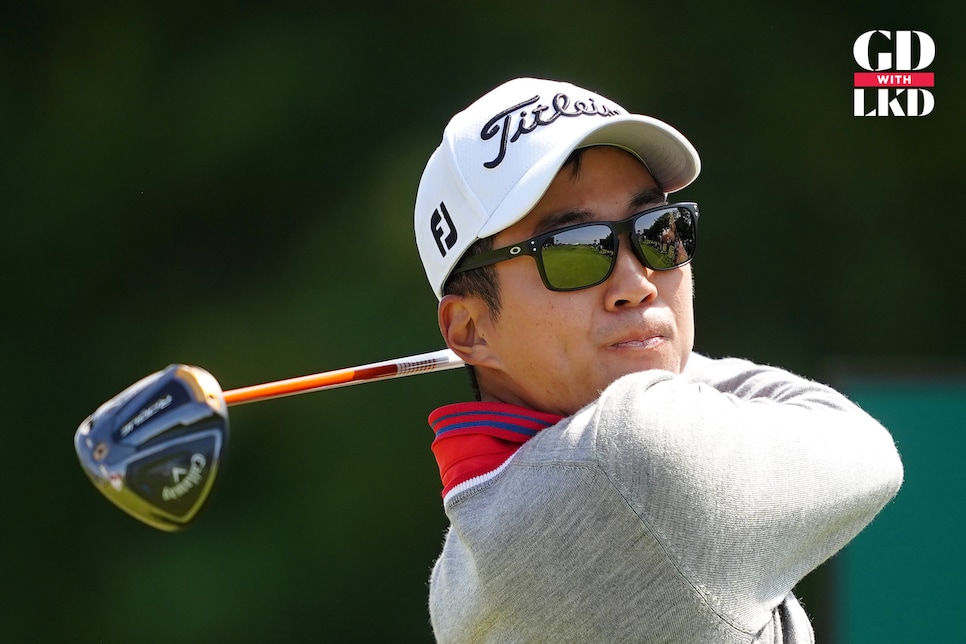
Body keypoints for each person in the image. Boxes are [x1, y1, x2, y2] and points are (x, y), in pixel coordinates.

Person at [413, 77, 903, 643]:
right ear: (470, 331)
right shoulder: (634, 456)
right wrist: (653, 351)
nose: (635, 283)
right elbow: (864, 449)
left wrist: (627, 351)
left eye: (657, 232)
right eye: (572, 251)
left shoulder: (457, 571)